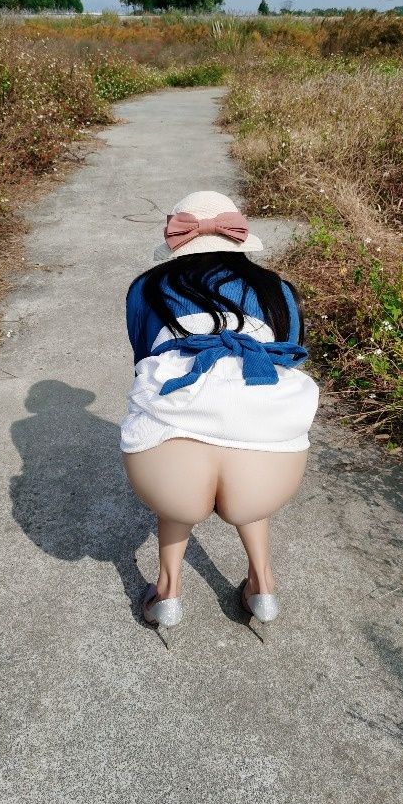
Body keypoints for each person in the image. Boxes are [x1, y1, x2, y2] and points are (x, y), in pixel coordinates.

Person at [120, 190, 320, 639]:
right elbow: (289, 356)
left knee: (171, 434)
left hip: (169, 467)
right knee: (251, 430)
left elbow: (143, 360)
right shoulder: (278, 290)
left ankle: (168, 592)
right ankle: (262, 586)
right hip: (263, 469)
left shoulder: (146, 288)